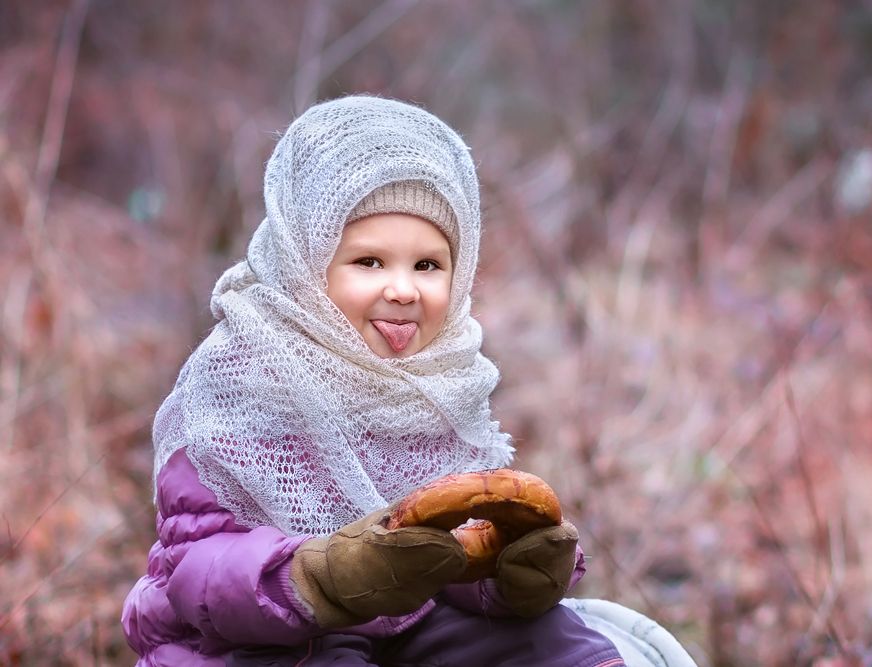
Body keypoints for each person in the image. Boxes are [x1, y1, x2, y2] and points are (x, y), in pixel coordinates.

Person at [121, 95, 626, 666]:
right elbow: (196, 575)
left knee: (556, 642)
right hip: (258, 639)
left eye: (428, 265)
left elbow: (444, 562)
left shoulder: (440, 383)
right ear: (306, 261)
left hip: (405, 627)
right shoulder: (240, 384)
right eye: (369, 262)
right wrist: (323, 578)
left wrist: (507, 575)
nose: (404, 290)